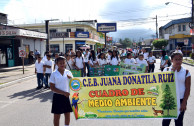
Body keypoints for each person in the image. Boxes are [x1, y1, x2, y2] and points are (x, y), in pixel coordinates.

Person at [162, 52, 191, 126]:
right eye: (176, 59)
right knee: (166, 121)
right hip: (169, 100)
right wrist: (172, 72)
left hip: (181, 100)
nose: (178, 61)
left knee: (178, 122)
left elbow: (187, 88)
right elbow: (163, 85)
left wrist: (184, 102)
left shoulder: (186, 72)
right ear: (171, 60)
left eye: (180, 59)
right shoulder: (166, 70)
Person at [49, 56, 73, 126]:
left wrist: (71, 79)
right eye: (60, 63)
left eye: (63, 63)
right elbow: (52, 88)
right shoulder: (54, 74)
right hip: (57, 96)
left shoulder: (68, 72)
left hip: (67, 96)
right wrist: (63, 93)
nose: (62, 64)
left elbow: (74, 84)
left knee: (67, 114)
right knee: (57, 115)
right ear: (57, 64)